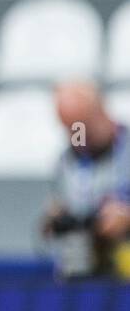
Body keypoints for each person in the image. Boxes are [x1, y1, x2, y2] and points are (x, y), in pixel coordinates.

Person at [42, 80, 130, 279]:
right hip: (83, 270)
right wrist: (56, 220)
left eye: (82, 125)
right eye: (71, 129)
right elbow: (62, 208)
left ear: (101, 111)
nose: (78, 134)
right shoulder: (66, 162)